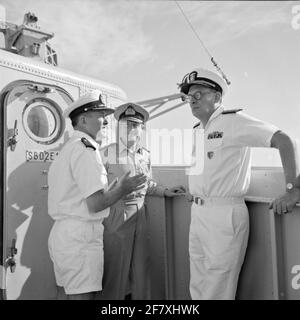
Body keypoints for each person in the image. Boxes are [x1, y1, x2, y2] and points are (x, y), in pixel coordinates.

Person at [178, 67, 299, 300]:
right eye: (189, 96)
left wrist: (292, 190)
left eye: (199, 93)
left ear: (217, 97)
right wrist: (194, 190)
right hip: (198, 213)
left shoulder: (234, 121)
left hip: (224, 215)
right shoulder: (197, 131)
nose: (192, 100)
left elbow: (285, 141)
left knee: (217, 289)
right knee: (199, 284)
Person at [47, 92, 148, 300]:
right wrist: (122, 188)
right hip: (80, 238)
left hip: (65, 234)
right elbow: (95, 204)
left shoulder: (69, 149)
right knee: (82, 296)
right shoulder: (86, 150)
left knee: (64, 294)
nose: (105, 121)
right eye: (100, 115)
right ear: (83, 119)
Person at [100, 102, 185, 300]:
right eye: (126, 124)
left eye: (135, 125)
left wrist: (165, 191)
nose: (130, 128)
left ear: (141, 129)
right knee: (115, 270)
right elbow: (96, 189)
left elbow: (147, 183)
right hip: (116, 214)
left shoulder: (144, 155)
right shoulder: (105, 153)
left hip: (141, 214)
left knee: (141, 269)